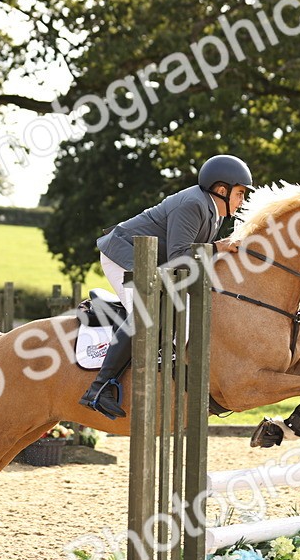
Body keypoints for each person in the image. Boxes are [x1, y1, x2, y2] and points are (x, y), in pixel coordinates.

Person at [80, 154, 250, 419]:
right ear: (221, 190)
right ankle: (98, 389)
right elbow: (180, 256)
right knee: (147, 311)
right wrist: (219, 247)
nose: (242, 201)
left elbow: (193, 260)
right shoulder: (193, 204)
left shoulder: (214, 214)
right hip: (125, 254)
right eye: (240, 194)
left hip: (153, 262)